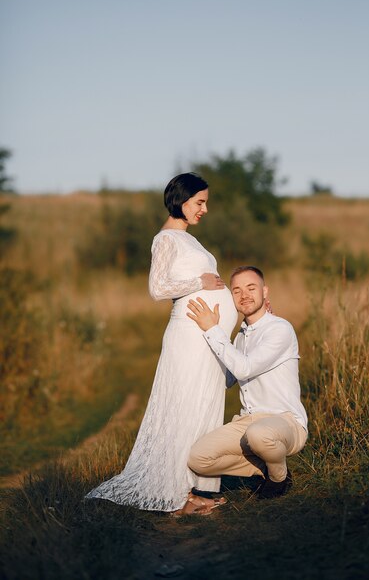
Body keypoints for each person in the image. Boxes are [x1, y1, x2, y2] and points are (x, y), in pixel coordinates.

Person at [85, 173, 238, 515]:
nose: (205, 209)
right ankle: (176, 494)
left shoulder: (191, 240)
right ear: (180, 201)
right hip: (188, 337)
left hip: (206, 336)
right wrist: (199, 280)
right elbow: (157, 287)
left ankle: (196, 487)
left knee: (203, 406)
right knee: (183, 406)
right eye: (200, 202)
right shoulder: (166, 238)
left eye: (206, 202)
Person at [186, 265, 308, 499]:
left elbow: (244, 368)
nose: (244, 296)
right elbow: (228, 379)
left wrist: (212, 329)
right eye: (237, 291)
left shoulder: (280, 329)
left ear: (265, 292)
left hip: (285, 421)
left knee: (259, 434)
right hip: (248, 422)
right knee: (198, 458)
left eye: (251, 288)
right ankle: (265, 468)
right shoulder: (241, 337)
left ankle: (279, 478)